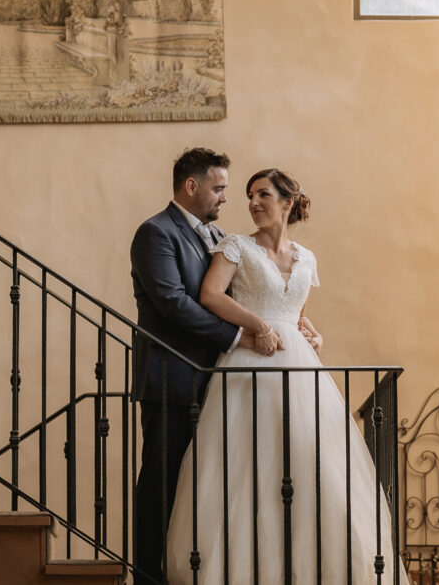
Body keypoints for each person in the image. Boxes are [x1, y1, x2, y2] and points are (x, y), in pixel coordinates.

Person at [164, 168, 402, 585]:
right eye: (250, 196)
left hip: (300, 366)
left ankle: (315, 570)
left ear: (288, 202)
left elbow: (298, 312)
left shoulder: (306, 257)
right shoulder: (235, 246)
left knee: (312, 462)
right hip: (250, 361)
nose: (253, 203)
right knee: (249, 464)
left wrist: (314, 332)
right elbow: (210, 296)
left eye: (263, 195)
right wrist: (256, 325)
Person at [129, 148, 281, 585]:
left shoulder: (217, 239)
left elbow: (242, 295)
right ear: (190, 186)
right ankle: (147, 576)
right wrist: (237, 337)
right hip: (172, 380)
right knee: (162, 482)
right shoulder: (155, 233)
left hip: (217, 383)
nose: (224, 199)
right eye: (218, 189)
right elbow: (173, 302)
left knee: (207, 487)